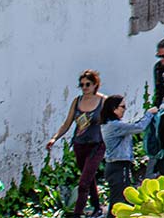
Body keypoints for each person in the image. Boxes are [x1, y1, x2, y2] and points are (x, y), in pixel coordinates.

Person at [46, 70, 106, 218]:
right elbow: (67, 123)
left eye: (88, 84)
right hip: (80, 145)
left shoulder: (103, 101)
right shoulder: (77, 101)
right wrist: (55, 138)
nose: (84, 87)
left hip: (96, 145)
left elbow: (112, 121)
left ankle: (77, 213)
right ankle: (97, 207)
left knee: (84, 182)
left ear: (95, 84)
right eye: (82, 85)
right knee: (88, 177)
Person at [97, 96, 154, 204]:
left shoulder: (112, 124)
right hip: (118, 165)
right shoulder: (115, 125)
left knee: (123, 199)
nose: (125, 109)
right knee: (119, 201)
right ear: (114, 109)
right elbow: (139, 127)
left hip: (118, 165)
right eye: (122, 107)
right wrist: (149, 113)